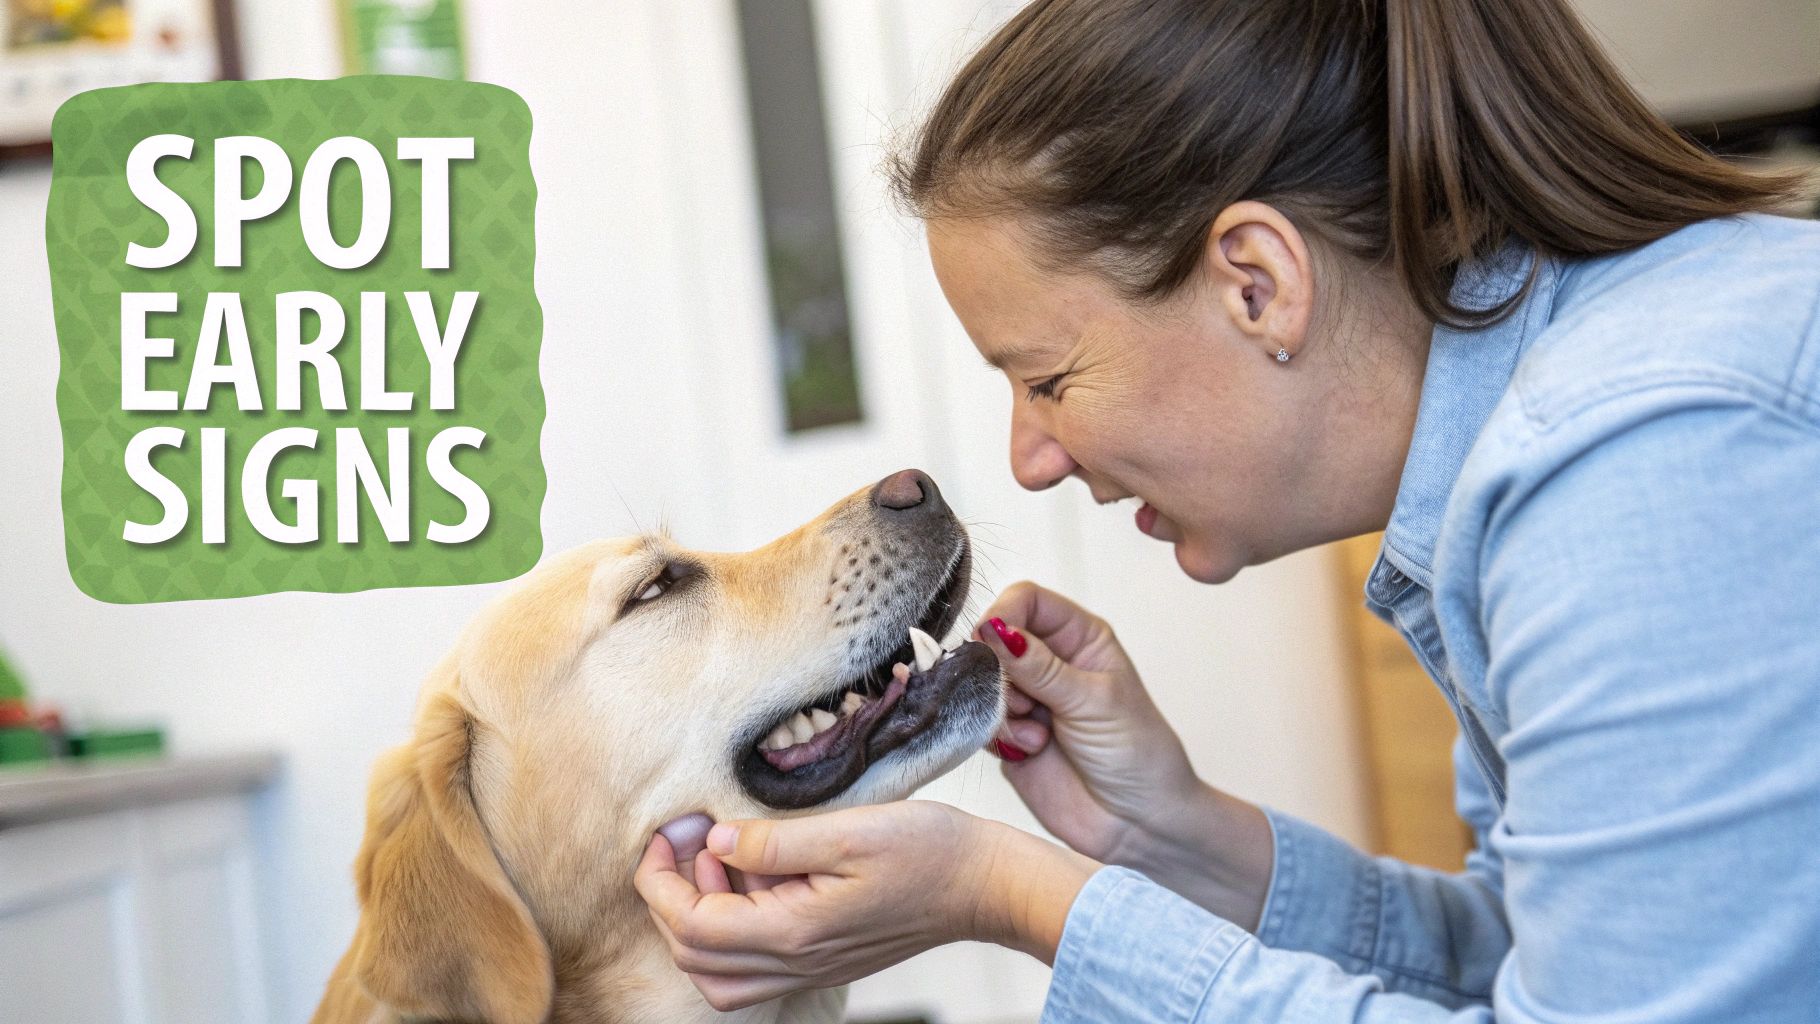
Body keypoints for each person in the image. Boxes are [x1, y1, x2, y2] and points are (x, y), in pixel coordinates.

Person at [635, 0, 1820, 1019]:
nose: (1029, 459)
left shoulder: (1642, 461)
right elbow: (1529, 965)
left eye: (1046, 380)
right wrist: (1171, 835)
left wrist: (1008, 893)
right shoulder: (1528, 470)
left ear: (1258, 284)